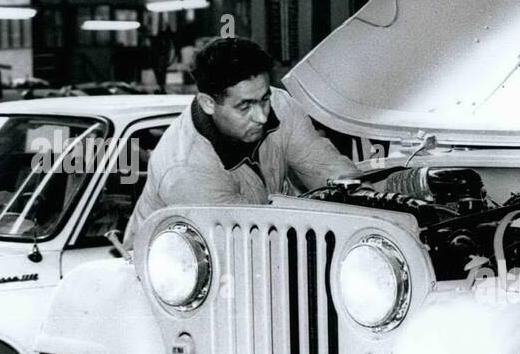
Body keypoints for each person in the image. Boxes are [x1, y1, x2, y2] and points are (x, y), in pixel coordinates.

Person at [124, 36, 356, 246]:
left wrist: (366, 203)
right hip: (173, 275)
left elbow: (327, 169)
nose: (262, 116)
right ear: (208, 103)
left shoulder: (280, 105)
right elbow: (250, 245)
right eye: (244, 107)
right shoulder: (187, 169)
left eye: (263, 99)